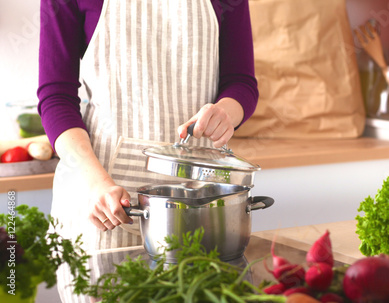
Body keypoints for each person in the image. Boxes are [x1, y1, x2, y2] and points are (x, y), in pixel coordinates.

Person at [37, 0, 258, 301]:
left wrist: (225, 113)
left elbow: (241, 81)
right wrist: (95, 183)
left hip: (202, 204)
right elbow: (56, 96)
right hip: (102, 196)